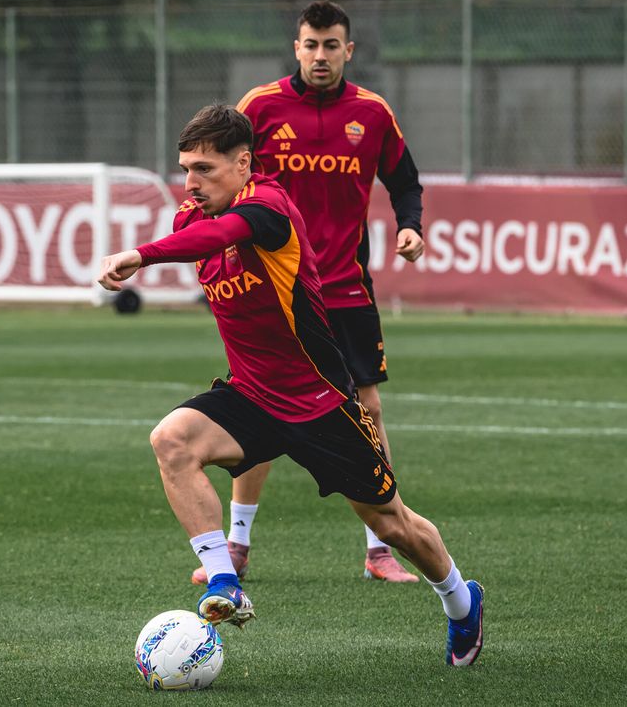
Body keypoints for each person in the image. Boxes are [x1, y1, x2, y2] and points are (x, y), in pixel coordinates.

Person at [98, 104, 484, 666]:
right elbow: (202, 233)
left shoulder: (270, 208)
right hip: (252, 395)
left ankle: (460, 601)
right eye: (185, 168)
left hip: (321, 402)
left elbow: (225, 233)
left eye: (205, 168)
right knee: (171, 440)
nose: (191, 182)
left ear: (244, 164)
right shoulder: (192, 214)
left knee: (391, 523)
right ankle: (224, 583)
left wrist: (140, 255)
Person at [189, 0, 425, 586]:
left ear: (349, 50)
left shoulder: (371, 113)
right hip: (274, 291)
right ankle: (238, 544)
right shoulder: (260, 107)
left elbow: (404, 178)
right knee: (261, 406)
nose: (321, 56)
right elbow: (218, 177)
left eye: (332, 46)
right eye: (311, 45)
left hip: (345, 288)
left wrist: (411, 224)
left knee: (367, 407)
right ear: (297, 48)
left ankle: (379, 548)